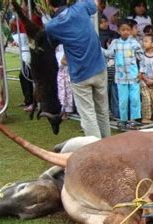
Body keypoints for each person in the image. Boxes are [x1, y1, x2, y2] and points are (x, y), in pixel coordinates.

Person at [45, 0, 110, 139]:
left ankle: (96, 153)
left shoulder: (51, 26)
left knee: (88, 115)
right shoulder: (81, 7)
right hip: (99, 68)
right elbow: (96, 4)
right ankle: (107, 148)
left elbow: (52, 44)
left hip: (80, 75)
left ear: (48, 3)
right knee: (102, 111)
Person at [102, 19, 144, 128]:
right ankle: (123, 119)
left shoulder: (134, 43)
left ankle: (134, 119)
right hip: (121, 77)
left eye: (127, 30)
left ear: (130, 31)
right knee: (123, 99)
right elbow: (108, 54)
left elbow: (142, 58)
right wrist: (99, 48)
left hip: (134, 76)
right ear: (118, 30)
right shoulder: (115, 43)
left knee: (134, 98)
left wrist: (141, 72)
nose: (125, 32)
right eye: (123, 30)